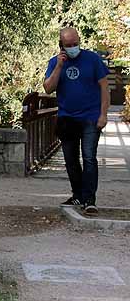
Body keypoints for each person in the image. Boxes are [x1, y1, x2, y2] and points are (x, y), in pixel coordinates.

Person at [43, 26, 110, 215]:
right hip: (67, 118)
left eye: (75, 44)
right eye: (68, 45)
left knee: (89, 157)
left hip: (90, 117)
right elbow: (48, 88)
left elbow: (105, 88)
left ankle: (89, 199)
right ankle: (78, 194)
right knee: (70, 160)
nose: (73, 47)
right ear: (61, 46)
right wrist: (58, 66)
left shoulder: (93, 60)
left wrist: (103, 114)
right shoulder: (55, 63)